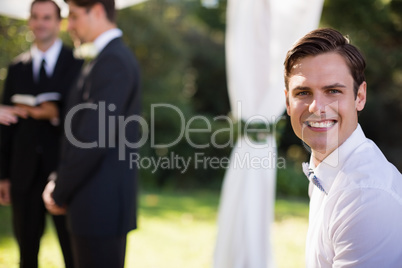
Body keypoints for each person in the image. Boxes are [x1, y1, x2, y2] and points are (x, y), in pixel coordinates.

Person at [283, 27, 402, 267]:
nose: (317, 107)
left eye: (333, 91)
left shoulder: (366, 195)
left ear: (360, 97)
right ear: (288, 102)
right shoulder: (327, 172)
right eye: (303, 92)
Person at [42, 0, 141, 267]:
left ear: (97, 11)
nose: (69, 25)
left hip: (100, 209)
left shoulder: (113, 61)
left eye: (73, 16)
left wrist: (59, 190)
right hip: (94, 205)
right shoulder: (105, 59)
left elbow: (91, 138)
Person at [0, 1, 83, 268]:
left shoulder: (77, 65)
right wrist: (3, 175)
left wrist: (54, 114)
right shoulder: (16, 67)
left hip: (63, 172)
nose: (40, 23)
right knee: (26, 254)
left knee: (73, 253)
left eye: (47, 17)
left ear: (58, 22)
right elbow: (6, 125)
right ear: (29, 22)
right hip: (22, 173)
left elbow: (84, 121)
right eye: (35, 17)